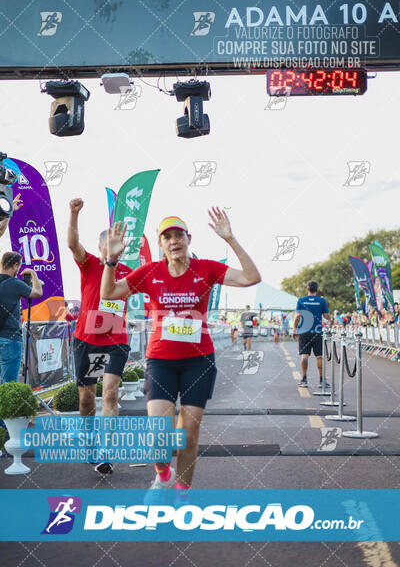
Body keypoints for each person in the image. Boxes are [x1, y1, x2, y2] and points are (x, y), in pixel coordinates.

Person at [100, 208, 261, 500]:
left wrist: (231, 238)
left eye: (179, 235)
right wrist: (111, 261)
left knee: (187, 436)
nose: (174, 241)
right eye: (167, 237)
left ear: (188, 239)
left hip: (198, 361)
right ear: (161, 244)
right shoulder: (151, 273)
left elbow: (251, 277)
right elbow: (109, 294)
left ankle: (182, 495)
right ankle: (163, 475)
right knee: (158, 438)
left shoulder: (207, 269)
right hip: (161, 361)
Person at [67, 198, 132, 475]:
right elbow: (72, 244)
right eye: (110, 243)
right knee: (86, 398)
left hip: (116, 341)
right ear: (101, 247)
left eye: (119, 243)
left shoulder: (130, 273)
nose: (115, 247)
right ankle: (89, 441)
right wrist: (73, 215)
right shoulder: (90, 264)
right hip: (87, 339)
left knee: (111, 393)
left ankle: (106, 450)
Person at [0, 251, 43, 383]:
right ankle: (6, 404)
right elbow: (38, 292)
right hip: (10, 337)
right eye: (18, 267)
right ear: (15, 265)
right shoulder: (15, 283)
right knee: (9, 384)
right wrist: (33, 273)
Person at [293, 281, 330, 388]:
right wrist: (330, 318)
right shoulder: (321, 301)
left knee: (304, 355)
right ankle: (322, 380)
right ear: (316, 289)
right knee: (319, 356)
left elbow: (297, 317)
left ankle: (304, 379)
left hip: (304, 331)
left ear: (307, 289)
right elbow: (326, 315)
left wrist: (294, 329)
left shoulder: (301, 300)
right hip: (317, 331)